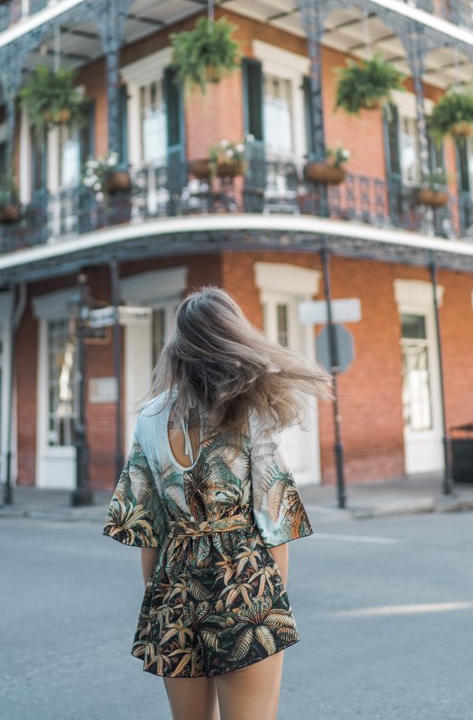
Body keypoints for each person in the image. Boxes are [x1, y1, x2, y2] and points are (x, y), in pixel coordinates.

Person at [104, 286, 331, 720]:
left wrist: (165, 598)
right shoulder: (248, 415)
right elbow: (276, 523)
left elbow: (146, 530)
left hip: (174, 589)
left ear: (178, 347)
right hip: (243, 584)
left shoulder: (149, 418)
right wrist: (271, 604)